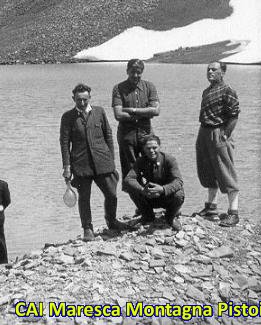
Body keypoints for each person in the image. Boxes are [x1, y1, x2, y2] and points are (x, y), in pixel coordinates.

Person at [60, 83, 129, 241]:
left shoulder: (99, 112)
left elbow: (108, 135)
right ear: (74, 99)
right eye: (79, 100)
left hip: (103, 162)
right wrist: (67, 167)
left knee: (111, 194)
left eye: (85, 99)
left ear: (90, 98)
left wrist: (111, 159)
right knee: (84, 198)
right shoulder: (68, 117)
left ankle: (111, 221)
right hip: (81, 165)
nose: (82, 103)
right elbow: (64, 143)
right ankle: (87, 228)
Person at [196, 61, 241, 227]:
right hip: (204, 131)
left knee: (225, 170)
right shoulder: (206, 91)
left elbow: (234, 115)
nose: (209, 72)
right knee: (207, 170)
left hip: (218, 132)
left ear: (222, 72)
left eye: (214, 69)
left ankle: (233, 213)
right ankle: (211, 208)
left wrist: (225, 134)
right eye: (208, 69)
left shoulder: (228, 90)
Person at [112, 59, 160, 184]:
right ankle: (136, 199)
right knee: (131, 171)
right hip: (127, 136)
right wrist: (145, 113)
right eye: (132, 72)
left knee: (152, 167)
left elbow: (156, 111)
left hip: (146, 134)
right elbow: (118, 115)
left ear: (142, 72)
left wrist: (132, 110)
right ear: (127, 71)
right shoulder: (118, 88)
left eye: (138, 72)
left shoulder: (149, 86)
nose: (135, 75)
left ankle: (152, 198)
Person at [123, 135, 184, 231]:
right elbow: (129, 179)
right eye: (148, 148)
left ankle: (170, 217)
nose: (151, 151)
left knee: (179, 194)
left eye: (154, 148)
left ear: (159, 147)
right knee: (131, 188)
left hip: (166, 196)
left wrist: (163, 189)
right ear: (144, 149)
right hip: (150, 195)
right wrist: (142, 190)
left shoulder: (169, 160)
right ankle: (148, 216)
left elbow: (178, 181)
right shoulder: (141, 161)